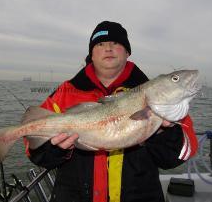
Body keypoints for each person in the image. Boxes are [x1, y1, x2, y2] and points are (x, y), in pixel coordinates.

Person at [22, 21, 198, 202]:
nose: (108, 48)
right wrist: (55, 149)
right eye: (100, 44)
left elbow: (180, 155)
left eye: (116, 43)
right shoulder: (64, 93)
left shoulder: (159, 94)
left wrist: (163, 132)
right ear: (91, 53)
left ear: (127, 52)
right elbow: (33, 149)